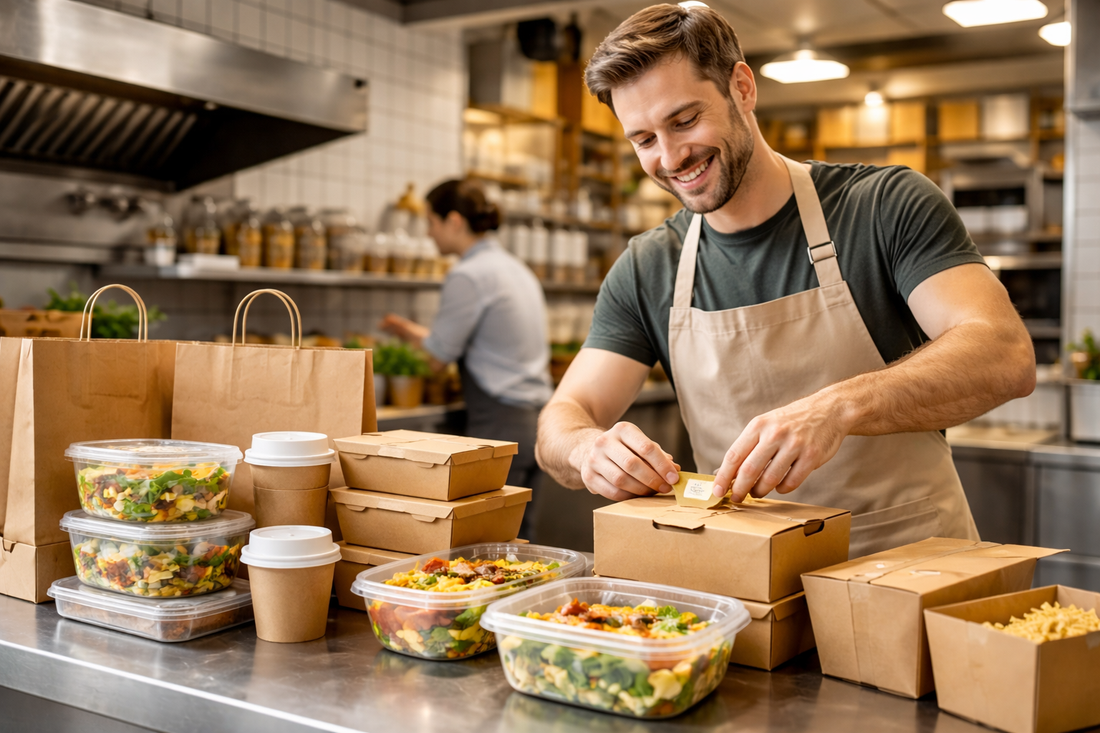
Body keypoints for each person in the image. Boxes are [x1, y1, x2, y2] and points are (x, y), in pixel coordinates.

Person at [535, 5, 1036, 559]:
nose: (671, 157)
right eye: (644, 139)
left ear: (742, 88)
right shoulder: (648, 266)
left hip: (907, 568)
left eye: (684, 121)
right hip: (751, 584)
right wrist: (587, 449)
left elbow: (1005, 355)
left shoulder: (883, 207)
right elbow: (561, 420)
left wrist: (838, 408)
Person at [381, 180, 553, 524]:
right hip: (538, 419)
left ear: (454, 222)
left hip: (501, 420)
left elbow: (436, 359)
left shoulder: (468, 275)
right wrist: (410, 330)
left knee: (490, 537)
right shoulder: (514, 268)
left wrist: (406, 343)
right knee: (518, 536)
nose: (429, 234)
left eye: (431, 222)